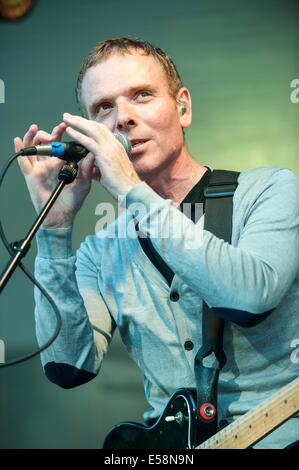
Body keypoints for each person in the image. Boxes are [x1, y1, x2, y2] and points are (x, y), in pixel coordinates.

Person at [15, 37, 299, 449]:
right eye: (103, 108)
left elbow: (250, 298)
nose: (123, 119)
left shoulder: (269, 190)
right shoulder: (100, 251)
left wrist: (132, 189)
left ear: (182, 107)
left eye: (142, 95)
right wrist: (55, 231)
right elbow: (67, 367)